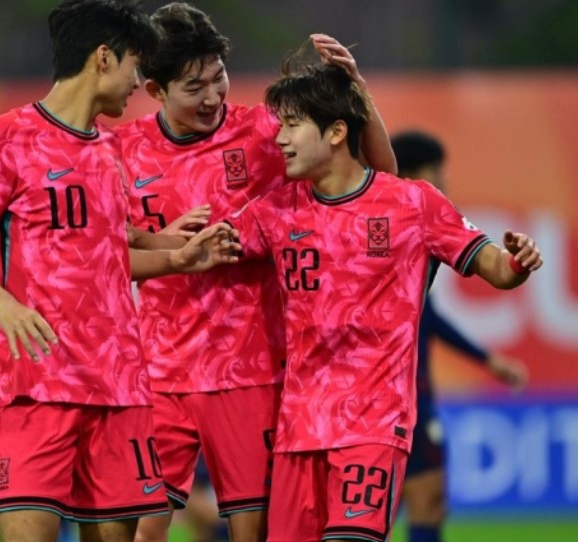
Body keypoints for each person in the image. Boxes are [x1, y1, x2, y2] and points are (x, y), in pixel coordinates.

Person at [0, 2, 238, 541]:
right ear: (104, 58)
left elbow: (109, 258)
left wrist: (177, 256)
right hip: (38, 388)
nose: (138, 83)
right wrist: (6, 305)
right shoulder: (3, 137)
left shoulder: (110, 150)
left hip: (120, 391)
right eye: (135, 66)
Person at [224, 56, 543, 542]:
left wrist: (517, 262)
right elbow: (201, 251)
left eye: (291, 125)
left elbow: (497, 269)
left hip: (373, 425)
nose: (280, 139)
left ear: (336, 132)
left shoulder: (413, 203)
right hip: (297, 431)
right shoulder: (276, 210)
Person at [116, 4, 397, 542]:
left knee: (256, 532)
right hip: (159, 373)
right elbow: (101, 252)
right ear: (154, 90)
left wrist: (358, 91)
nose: (212, 96)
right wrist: (159, 240)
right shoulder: (123, 153)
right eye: (194, 87)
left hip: (252, 370)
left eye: (218, 76)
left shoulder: (266, 131)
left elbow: (379, 179)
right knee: (139, 532)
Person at [391, 131, 529, 542]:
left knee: (423, 501)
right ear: (413, 175)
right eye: (436, 170)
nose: (444, 180)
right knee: (402, 504)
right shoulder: (397, 227)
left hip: (407, 396)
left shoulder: (413, 226)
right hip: (394, 396)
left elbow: (429, 317)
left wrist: (487, 359)